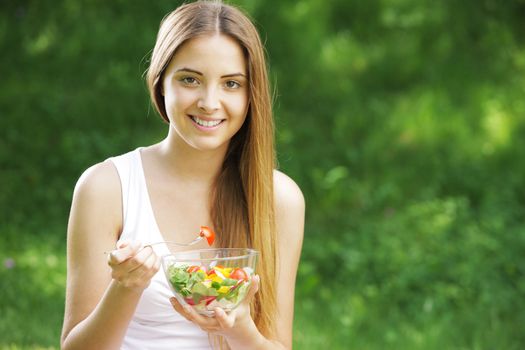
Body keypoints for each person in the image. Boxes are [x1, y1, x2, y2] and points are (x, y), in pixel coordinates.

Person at [60, 1, 305, 349]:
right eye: (190, 79)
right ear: (160, 83)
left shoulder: (280, 198)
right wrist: (126, 287)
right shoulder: (106, 188)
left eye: (231, 84)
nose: (209, 101)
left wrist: (239, 330)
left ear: (252, 95)